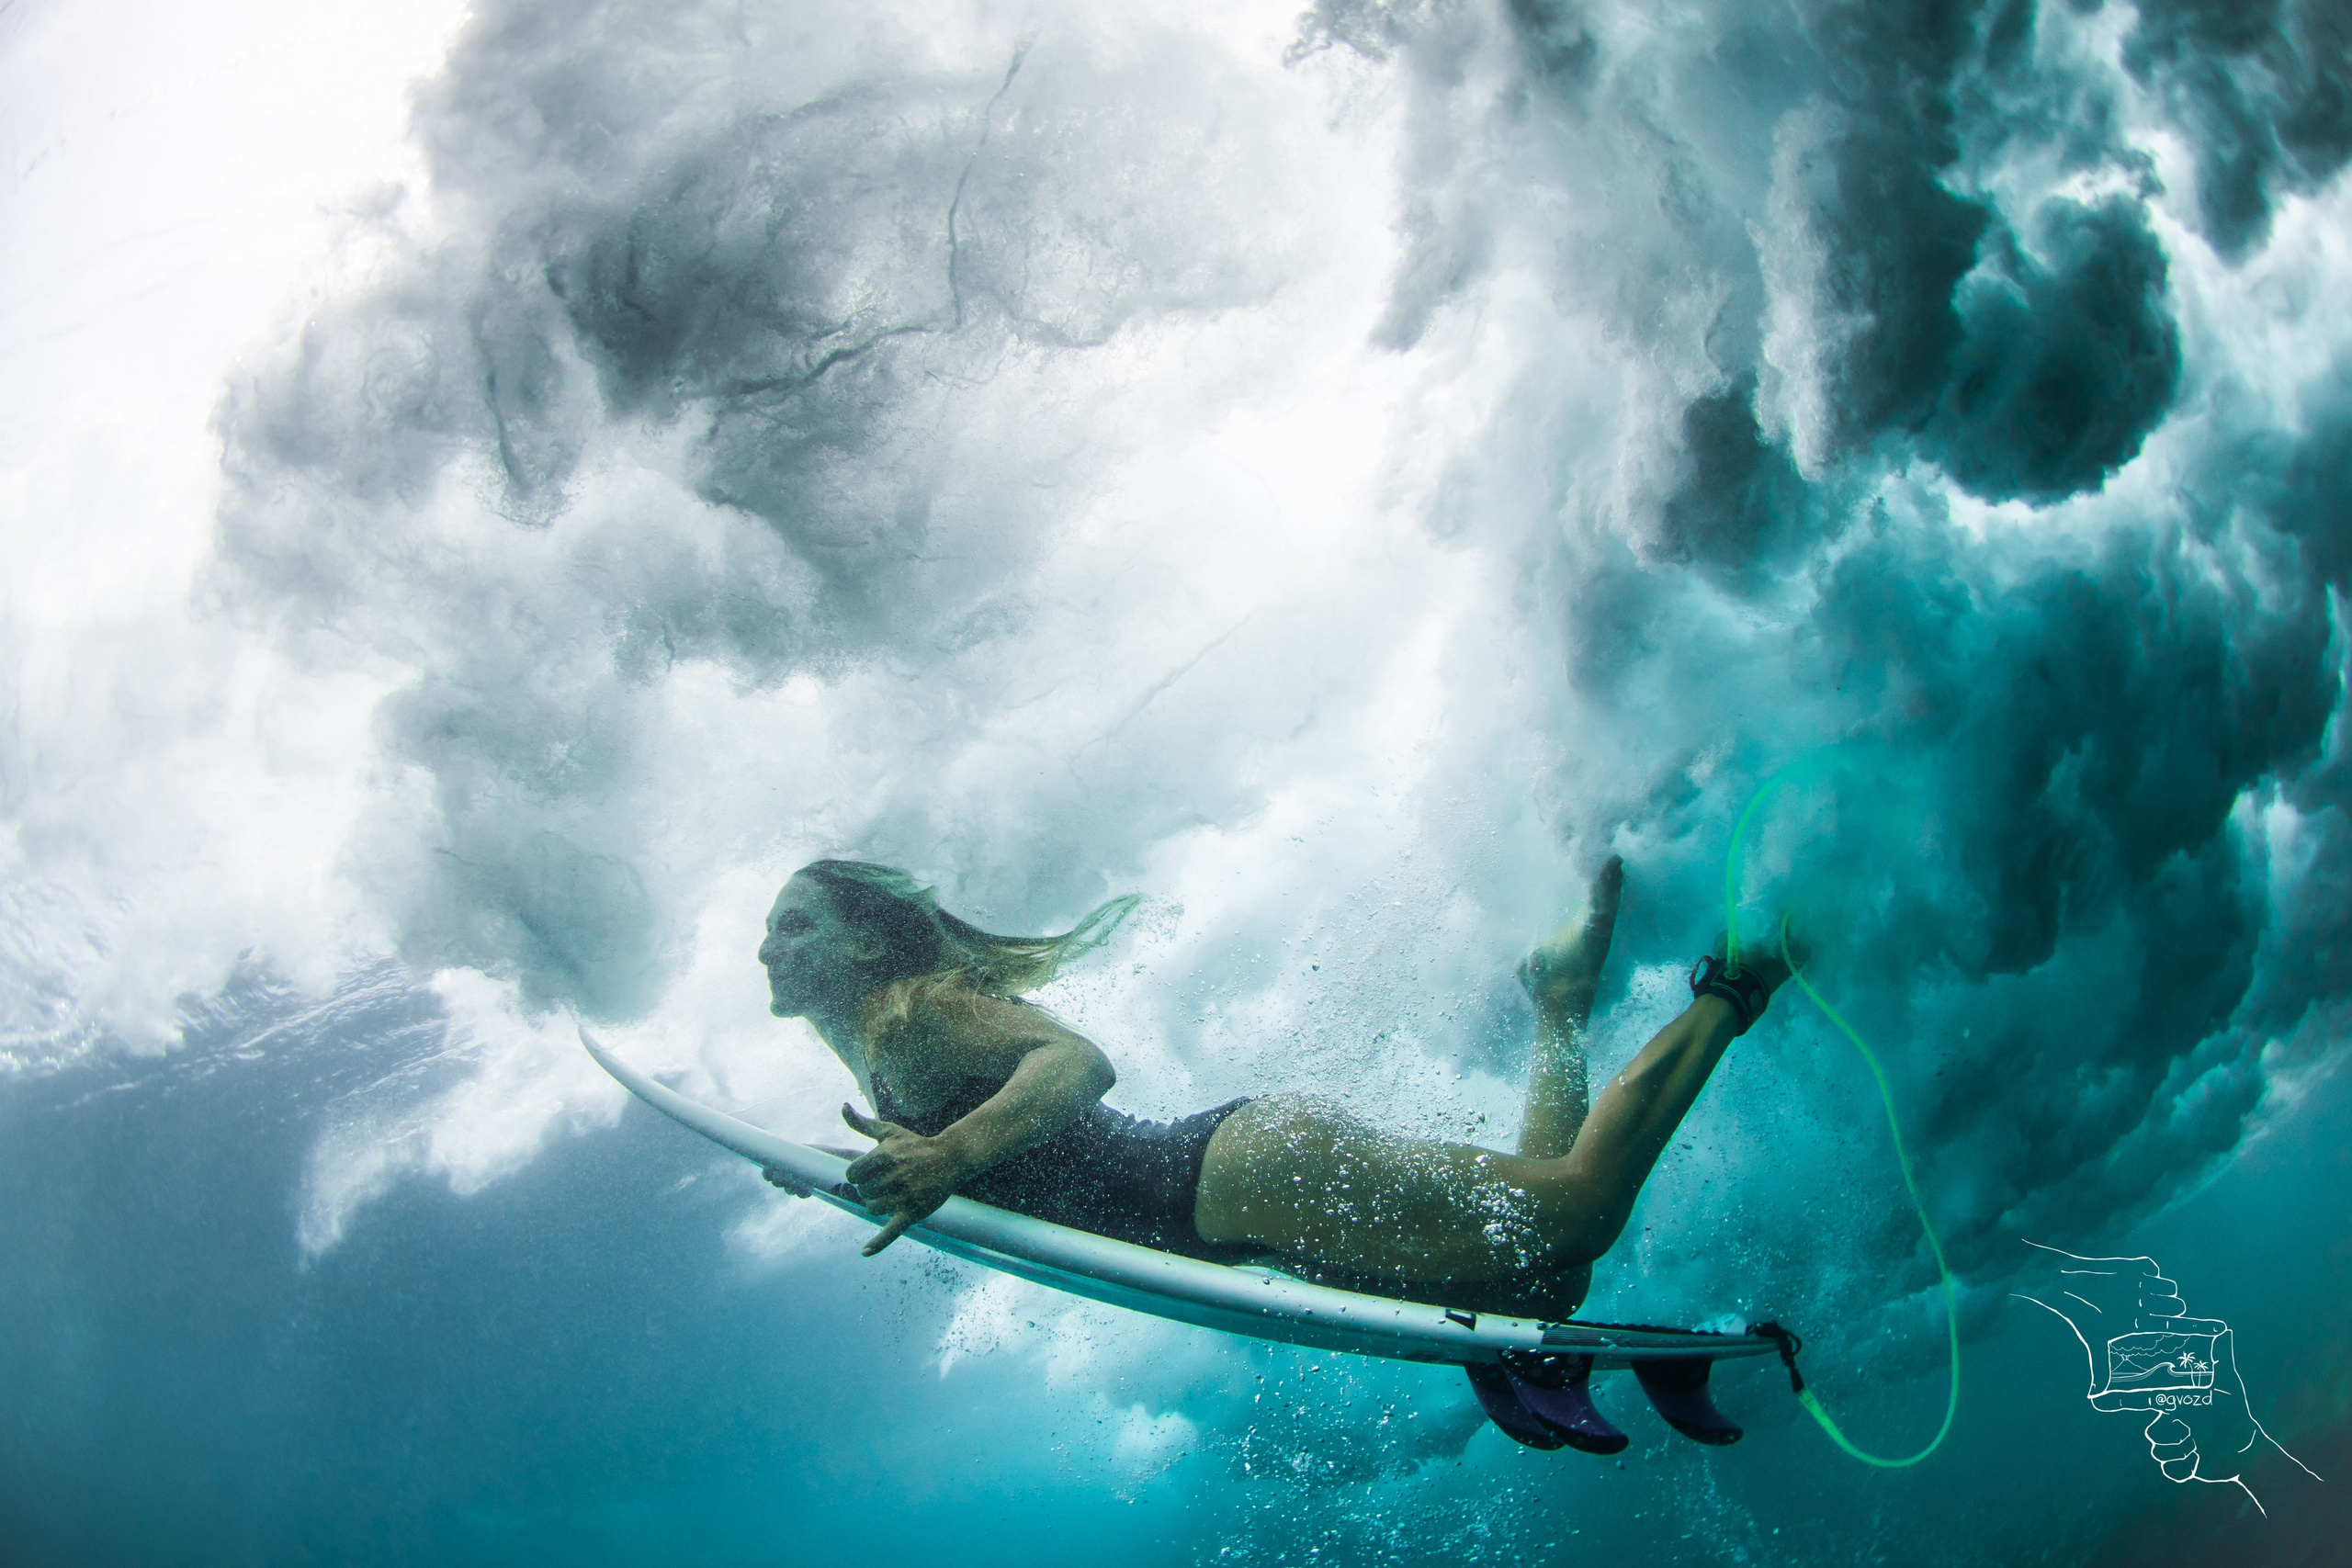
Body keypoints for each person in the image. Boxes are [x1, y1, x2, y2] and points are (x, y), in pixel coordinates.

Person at [757, 854, 1798, 1327]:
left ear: (861, 939)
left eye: (794, 924)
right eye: (769, 930)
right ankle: (1560, 999)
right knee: (1543, 1289)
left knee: (1572, 1214)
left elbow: (1077, 1066)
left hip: (1236, 1174)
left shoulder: (919, 1013)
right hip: (1223, 1226)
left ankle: (1738, 983)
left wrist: (943, 1155)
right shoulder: (880, 1073)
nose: (766, 946)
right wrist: (841, 1178)